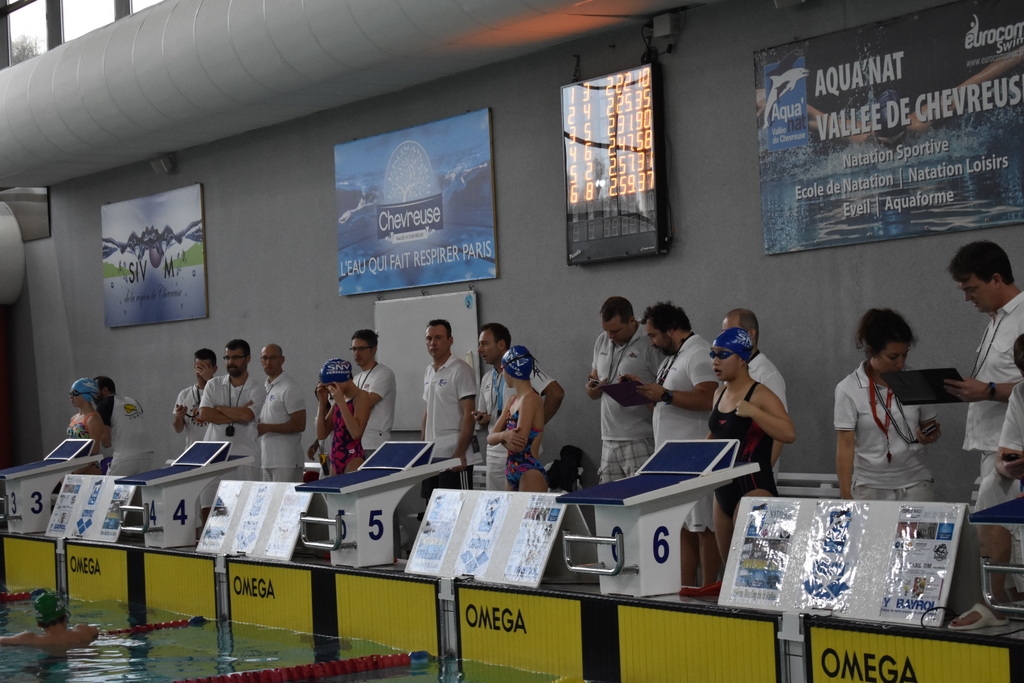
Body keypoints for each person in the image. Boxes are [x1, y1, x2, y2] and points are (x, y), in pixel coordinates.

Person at [943, 241, 1024, 629]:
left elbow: (1019, 387)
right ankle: (1000, 601)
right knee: (990, 523)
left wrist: (988, 390)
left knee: (1005, 526)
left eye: (971, 288)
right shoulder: (996, 321)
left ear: (996, 278)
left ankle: (1001, 603)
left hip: (1014, 447)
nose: (967, 298)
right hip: (995, 444)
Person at [631, 302, 719, 590]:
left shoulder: (698, 353)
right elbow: (665, 400)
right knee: (683, 526)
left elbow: (710, 399)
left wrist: (666, 395)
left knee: (704, 527)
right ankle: (686, 589)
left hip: (695, 456)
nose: (652, 343)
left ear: (671, 329)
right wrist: (642, 390)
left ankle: (708, 589)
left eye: (654, 336)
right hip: (672, 458)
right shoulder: (673, 357)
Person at [707, 327, 795, 571]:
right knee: (729, 573)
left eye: (723, 354)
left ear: (742, 359)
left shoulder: (761, 394)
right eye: (712, 354)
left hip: (755, 487)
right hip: (723, 489)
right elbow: (716, 434)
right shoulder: (719, 393)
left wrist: (754, 412)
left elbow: (788, 433)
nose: (715, 361)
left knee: (751, 573)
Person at [834, 309, 941, 501]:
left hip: (916, 482)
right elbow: (845, 446)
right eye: (893, 357)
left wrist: (931, 434)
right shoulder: (849, 388)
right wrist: (845, 495)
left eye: (905, 355)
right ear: (871, 350)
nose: (900, 364)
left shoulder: (916, 381)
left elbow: (931, 427)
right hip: (870, 487)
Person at [474, 322, 564, 490]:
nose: (479, 349)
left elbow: (556, 392)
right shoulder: (489, 379)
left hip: (524, 461)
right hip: (498, 456)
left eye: (485, 343)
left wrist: (534, 424)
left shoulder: (524, 369)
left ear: (501, 344)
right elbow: (490, 433)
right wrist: (496, 429)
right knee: (498, 503)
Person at [585, 296, 662, 484]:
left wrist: (640, 388)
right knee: (609, 498)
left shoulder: (650, 342)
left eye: (615, 330)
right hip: (608, 437)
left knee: (643, 495)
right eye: (606, 330)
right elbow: (593, 378)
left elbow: (666, 386)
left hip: (640, 437)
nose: (610, 336)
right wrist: (592, 389)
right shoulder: (602, 340)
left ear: (631, 320)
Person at [722, 308, 788, 468]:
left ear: (750, 334)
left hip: (755, 470)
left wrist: (764, 471)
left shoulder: (767, 375)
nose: (725, 338)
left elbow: (780, 431)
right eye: (723, 332)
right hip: (730, 468)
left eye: (731, 332)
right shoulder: (731, 371)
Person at [422, 319, 478, 490]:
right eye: (429, 338)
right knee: (430, 503)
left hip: (454, 455)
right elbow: (428, 411)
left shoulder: (461, 369)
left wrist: (459, 453)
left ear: (450, 340)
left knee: (455, 504)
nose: (433, 343)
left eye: (438, 338)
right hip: (432, 455)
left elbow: (469, 413)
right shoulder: (428, 370)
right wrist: (422, 448)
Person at [199, 339, 265, 481]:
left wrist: (219, 408)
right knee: (210, 497)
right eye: (227, 357)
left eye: (236, 357)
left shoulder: (257, 388)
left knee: (244, 497)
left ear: (248, 358)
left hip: (246, 458)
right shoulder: (213, 384)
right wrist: (238, 413)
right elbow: (204, 414)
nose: (230, 362)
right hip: (213, 457)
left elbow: (247, 416)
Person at [487, 346, 548, 492]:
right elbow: (490, 438)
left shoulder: (531, 399)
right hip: (511, 469)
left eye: (502, 369)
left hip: (529, 471)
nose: (502, 374)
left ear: (509, 370)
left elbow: (518, 445)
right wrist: (504, 436)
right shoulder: (512, 400)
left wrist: (500, 437)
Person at [256, 344, 307, 482]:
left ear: (282, 360)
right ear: (260, 361)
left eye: (272, 358)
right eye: (265, 358)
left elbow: (300, 424)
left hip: (286, 461)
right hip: (267, 459)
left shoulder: (290, 387)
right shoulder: (264, 387)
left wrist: (267, 428)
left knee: (286, 497)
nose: (268, 362)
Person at [315, 358, 371, 474]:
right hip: (335, 459)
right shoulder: (339, 399)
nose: (330, 390)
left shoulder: (361, 396)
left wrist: (341, 402)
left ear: (339, 380)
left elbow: (356, 433)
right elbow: (322, 434)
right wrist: (322, 402)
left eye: (331, 386)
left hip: (353, 458)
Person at [94, 376, 157, 476]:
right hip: (148, 455)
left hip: (125, 458)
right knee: (139, 486)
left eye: (94, 390)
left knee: (108, 485)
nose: (92, 395)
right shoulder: (132, 401)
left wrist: (105, 443)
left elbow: (105, 438)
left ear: (105, 389)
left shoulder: (103, 405)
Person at [0, 589, 98, 649]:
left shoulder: (31, 639)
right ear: (65, 615)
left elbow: (2, 640)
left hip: (47, 662)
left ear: (39, 624)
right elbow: (95, 630)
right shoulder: (84, 631)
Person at [350, 329, 396, 453]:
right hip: (356, 443)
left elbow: (367, 403)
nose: (356, 353)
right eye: (354, 349)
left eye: (361, 348)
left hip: (375, 443)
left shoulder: (383, 373)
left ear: (373, 349)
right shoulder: (356, 378)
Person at [172, 348, 217, 449]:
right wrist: (179, 417)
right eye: (198, 367)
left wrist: (209, 380)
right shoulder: (184, 394)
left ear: (214, 369)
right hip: (193, 450)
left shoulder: (220, 391)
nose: (201, 372)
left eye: (205, 368)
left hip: (215, 449)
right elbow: (178, 429)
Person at [67, 378, 103, 454]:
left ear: (87, 395)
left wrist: (84, 463)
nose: (71, 397)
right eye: (70, 393)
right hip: (74, 460)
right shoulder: (73, 418)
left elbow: (94, 450)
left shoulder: (93, 419)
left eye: (75, 393)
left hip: (87, 461)